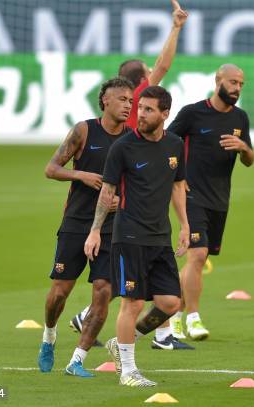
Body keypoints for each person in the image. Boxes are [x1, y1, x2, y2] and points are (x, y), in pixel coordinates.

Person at [70, 0, 191, 351]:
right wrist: (176, 28)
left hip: (129, 203)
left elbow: (162, 65)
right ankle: (125, 346)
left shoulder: (138, 123)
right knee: (124, 289)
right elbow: (164, 65)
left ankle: (100, 321)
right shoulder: (131, 121)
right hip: (118, 206)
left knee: (126, 285)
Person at [84, 86, 189, 387]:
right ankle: (128, 371)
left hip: (160, 238)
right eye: (139, 107)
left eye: (148, 109)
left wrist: (184, 225)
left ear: (165, 114)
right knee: (132, 304)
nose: (139, 114)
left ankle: (122, 344)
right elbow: (107, 192)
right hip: (129, 236)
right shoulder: (123, 147)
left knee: (171, 302)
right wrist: (94, 231)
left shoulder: (174, 145)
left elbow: (178, 185)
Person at [37, 77, 134, 377]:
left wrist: (124, 202)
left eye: (131, 100)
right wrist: (81, 175)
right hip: (77, 223)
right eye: (122, 99)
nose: (128, 105)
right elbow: (51, 169)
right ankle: (49, 336)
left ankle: (77, 360)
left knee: (104, 291)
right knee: (59, 293)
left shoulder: (132, 138)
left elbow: (138, 182)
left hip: (111, 227)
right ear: (105, 100)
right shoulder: (83, 130)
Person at [166, 63, 254, 340]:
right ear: (218, 81)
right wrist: (177, 177)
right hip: (191, 196)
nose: (237, 88)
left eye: (241, 84)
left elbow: (250, 160)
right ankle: (193, 317)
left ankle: (173, 317)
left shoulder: (240, 118)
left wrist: (244, 149)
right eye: (233, 82)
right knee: (198, 255)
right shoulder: (193, 113)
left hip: (220, 200)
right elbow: (165, 142)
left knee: (198, 257)